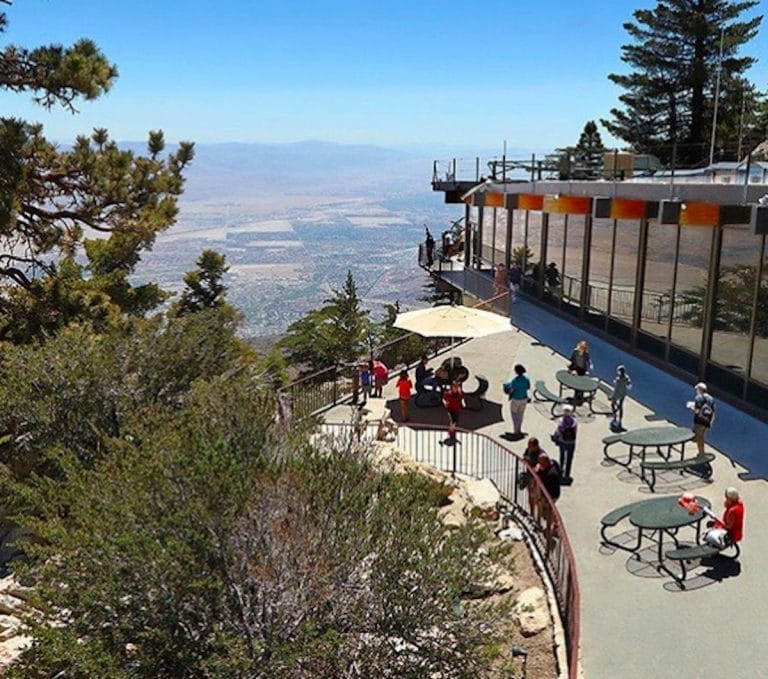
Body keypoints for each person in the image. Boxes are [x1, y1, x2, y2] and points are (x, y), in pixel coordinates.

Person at [532, 453, 562, 527]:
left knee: (547, 513)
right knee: (546, 511)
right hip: (551, 494)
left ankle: (550, 528)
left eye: (541, 463)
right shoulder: (553, 463)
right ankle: (553, 525)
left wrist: (544, 499)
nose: (540, 465)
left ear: (546, 462)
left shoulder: (551, 474)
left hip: (550, 496)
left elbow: (546, 484)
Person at [503, 364, 531, 439]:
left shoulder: (515, 381)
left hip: (516, 399)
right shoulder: (526, 379)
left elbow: (511, 390)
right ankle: (519, 429)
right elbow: (528, 387)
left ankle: (516, 431)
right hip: (524, 399)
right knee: (520, 415)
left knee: (514, 416)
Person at [552, 404, 578, 485]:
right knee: (569, 459)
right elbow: (576, 432)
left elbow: (558, 432)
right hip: (571, 442)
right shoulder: (575, 422)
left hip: (563, 441)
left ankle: (560, 472)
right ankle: (567, 475)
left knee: (562, 457)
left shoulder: (561, 421)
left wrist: (555, 437)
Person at [687, 382, 715, 456]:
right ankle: (702, 452)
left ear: (700, 390)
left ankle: (701, 454)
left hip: (699, 421)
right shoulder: (711, 398)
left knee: (698, 438)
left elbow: (697, 411)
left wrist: (691, 407)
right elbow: (713, 412)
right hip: (707, 421)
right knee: (701, 437)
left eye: (697, 389)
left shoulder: (698, 398)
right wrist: (711, 423)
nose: (696, 391)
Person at [568, 340, 593, 405]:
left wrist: (590, 365)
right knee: (575, 383)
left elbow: (588, 360)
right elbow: (572, 361)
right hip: (576, 369)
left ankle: (579, 398)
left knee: (580, 384)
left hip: (582, 370)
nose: (582, 349)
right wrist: (571, 369)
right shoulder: (575, 352)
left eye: (584, 348)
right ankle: (577, 397)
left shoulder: (586, 354)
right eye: (581, 347)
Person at [610, 365, 632, 432]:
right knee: (620, 406)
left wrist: (612, 395)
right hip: (623, 393)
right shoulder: (626, 378)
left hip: (617, 394)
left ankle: (614, 417)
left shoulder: (618, 379)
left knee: (613, 404)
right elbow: (629, 385)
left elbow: (616, 388)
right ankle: (619, 420)